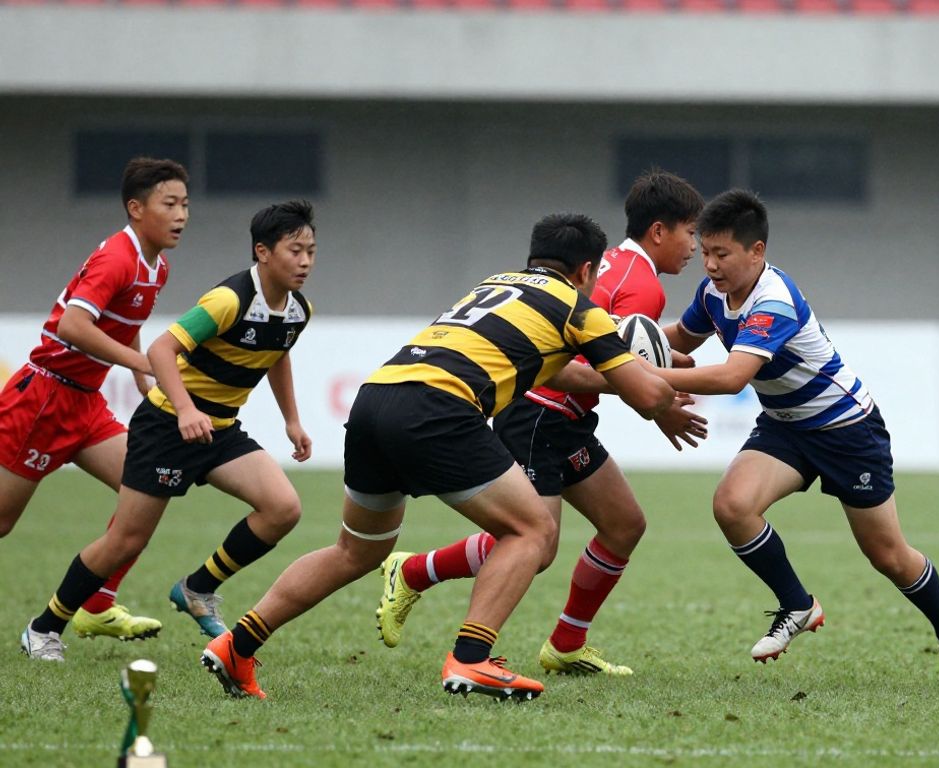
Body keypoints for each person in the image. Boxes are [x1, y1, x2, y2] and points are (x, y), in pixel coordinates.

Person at [203, 213, 675, 701]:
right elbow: (646, 395)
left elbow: (557, 373)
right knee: (533, 530)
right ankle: (471, 660)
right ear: (587, 271)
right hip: (439, 409)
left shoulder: (495, 284)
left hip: (375, 399)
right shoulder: (578, 307)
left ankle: (237, 645)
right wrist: (668, 389)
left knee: (356, 550)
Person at [605, 189, 939, 683]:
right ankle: (797, 605)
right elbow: (678, 340)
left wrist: (639, 377)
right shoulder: (713, 293)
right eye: (707, 251)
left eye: (723, 254)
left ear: (756, 251)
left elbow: (731, 377)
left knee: (887, 556)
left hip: (846, 429)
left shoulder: (773, 301)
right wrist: (614, 339)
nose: (710, 264)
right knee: (731, 506)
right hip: (785, 426)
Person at [373, 170, 708, 678]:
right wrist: (656, 403)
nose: (694, 246)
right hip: (537, 414)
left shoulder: (615, 268)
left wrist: (661, 380)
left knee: (624, 525)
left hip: (564, 419)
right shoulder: (641, 288)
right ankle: (415, 572)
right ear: (659, 232)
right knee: (537, 544)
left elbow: (618, 349)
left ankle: (567, 644)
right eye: (690, 232)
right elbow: (596, 363)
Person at [20, 201, 317, 662]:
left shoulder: (298, 309)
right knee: (127, 540)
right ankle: (44, 627)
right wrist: (183, 410)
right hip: (166, 426)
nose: (304, 262)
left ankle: (197, 588)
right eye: (294, 250)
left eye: (311, 251)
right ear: (262, 252)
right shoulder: (228, 300)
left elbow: (278, 354)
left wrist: (291, 420)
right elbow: (161, 349)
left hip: (218, 430)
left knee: (282, 507)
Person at [1, 157, 189, 644]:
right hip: (43, 397)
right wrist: (143, 361)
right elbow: (71, 326)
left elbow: (123, 324)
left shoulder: (157, 266)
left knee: (148, 488)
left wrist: (135, 368)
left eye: (185, 204)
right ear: (135, 208)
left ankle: (97, 605)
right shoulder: (116, 257)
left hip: (86, 404)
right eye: (169, 203)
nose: (181, 214)